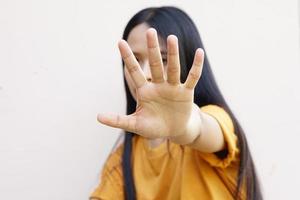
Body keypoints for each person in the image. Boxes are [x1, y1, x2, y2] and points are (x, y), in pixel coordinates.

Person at [90, 6, 262, 200]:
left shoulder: (214, 118)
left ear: (186, 62)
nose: (145, 73)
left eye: (163, 59)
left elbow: (200, 129)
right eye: (135, 60)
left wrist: (183, 128)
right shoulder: (123, 160)